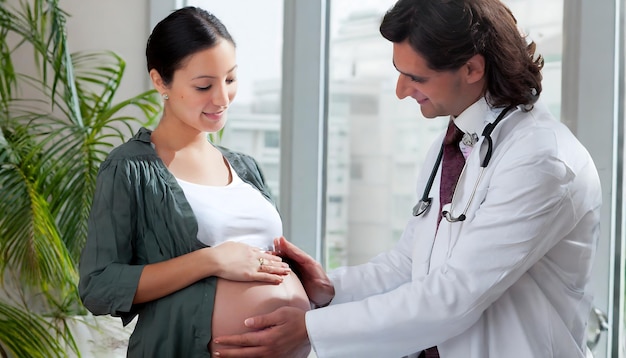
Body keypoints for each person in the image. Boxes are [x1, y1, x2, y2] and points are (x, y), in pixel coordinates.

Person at [211, 0, 602, 357]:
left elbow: (453, 297)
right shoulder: (452, 147)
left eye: (416, 77)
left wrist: (310, 328)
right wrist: (332, 289)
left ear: (472, 68)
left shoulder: (542, 159)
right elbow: (408, 266)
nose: (401, 91)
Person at [78, 6, 311, 358]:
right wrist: (211, 261)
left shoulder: (246, 167)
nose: (221, 99)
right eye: (204, 85)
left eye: (230, 79)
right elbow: (98, 286)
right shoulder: (129, 168)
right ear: (160, 82)